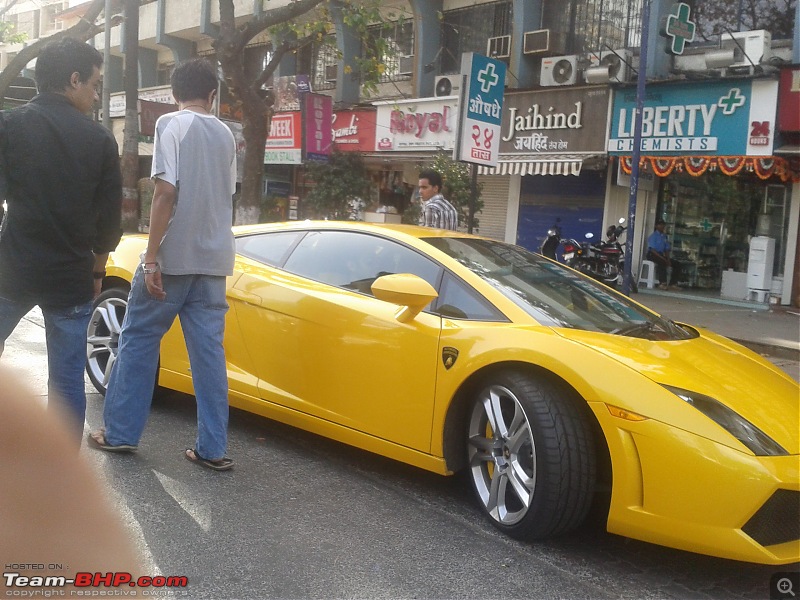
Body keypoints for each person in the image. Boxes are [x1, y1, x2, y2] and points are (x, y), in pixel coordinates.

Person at [88, 58, 237, 471]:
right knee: (208, 356)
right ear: (212, 94)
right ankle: (212, 449)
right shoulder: (227, 134)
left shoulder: (172, 124)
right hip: (214, 262)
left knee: (137, 342)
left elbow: (165, 193)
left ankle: (119, 434)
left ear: (174, 93)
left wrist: (151, 257)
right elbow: (226, 197)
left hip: (172, 260)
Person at [0, 38, 122, 442]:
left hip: (12, 270)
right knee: (67, 382)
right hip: (71, 277)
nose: (96, 92)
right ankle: (61, 482)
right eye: (95, 83)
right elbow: (109, 220)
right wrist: (98, 269)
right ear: (73, 80)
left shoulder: (9, 126)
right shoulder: (101, 140)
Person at [647, 219, 680, 290]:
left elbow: (666, 249)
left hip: (661, 254)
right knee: (662, 262)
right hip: (653, 254)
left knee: (677, 264)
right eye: (660, 224)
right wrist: (664, 259)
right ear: (656, 226)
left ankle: (673, 283)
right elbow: (652, 250)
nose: (661, 226)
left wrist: (668, 259)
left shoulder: (664, 236)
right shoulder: (653, 236)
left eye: (662, 224)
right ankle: (662, 283)